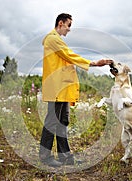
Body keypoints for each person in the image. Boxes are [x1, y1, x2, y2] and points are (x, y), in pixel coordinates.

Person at [39, 13, 113, 167]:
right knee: (52, 121)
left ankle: (65, 157)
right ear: (61, 23)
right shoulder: (52, 39)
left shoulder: (57, 40)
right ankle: (45, 157)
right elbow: (69, 55)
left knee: (62, 121)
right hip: (57, 88)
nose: (69, 29)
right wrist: (93, 63)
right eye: (69, 25)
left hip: (63, 88)